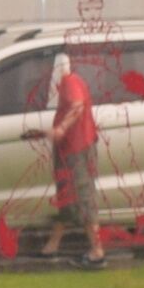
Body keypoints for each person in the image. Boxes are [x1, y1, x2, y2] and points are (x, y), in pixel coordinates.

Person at [44, 45, 107, 268]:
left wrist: (61, 128)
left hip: (77, 149)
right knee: (68, 197)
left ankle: (97, 251)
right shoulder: (72, 80)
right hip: (71, 148)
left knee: (82, 197)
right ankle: (52, 245)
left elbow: (77, 106)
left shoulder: (69, 82)